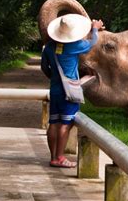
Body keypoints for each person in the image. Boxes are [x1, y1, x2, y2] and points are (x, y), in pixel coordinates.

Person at [41, 14, 104, 168]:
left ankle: (53, 157)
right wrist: (94, 29)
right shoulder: (74, 46)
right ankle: (61, 157)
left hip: (55, 90)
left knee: (54, 122)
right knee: (66, 123)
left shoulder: (49, 47)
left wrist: (54, 78)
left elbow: (44, 67)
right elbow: (92, 43)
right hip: (69, 91)